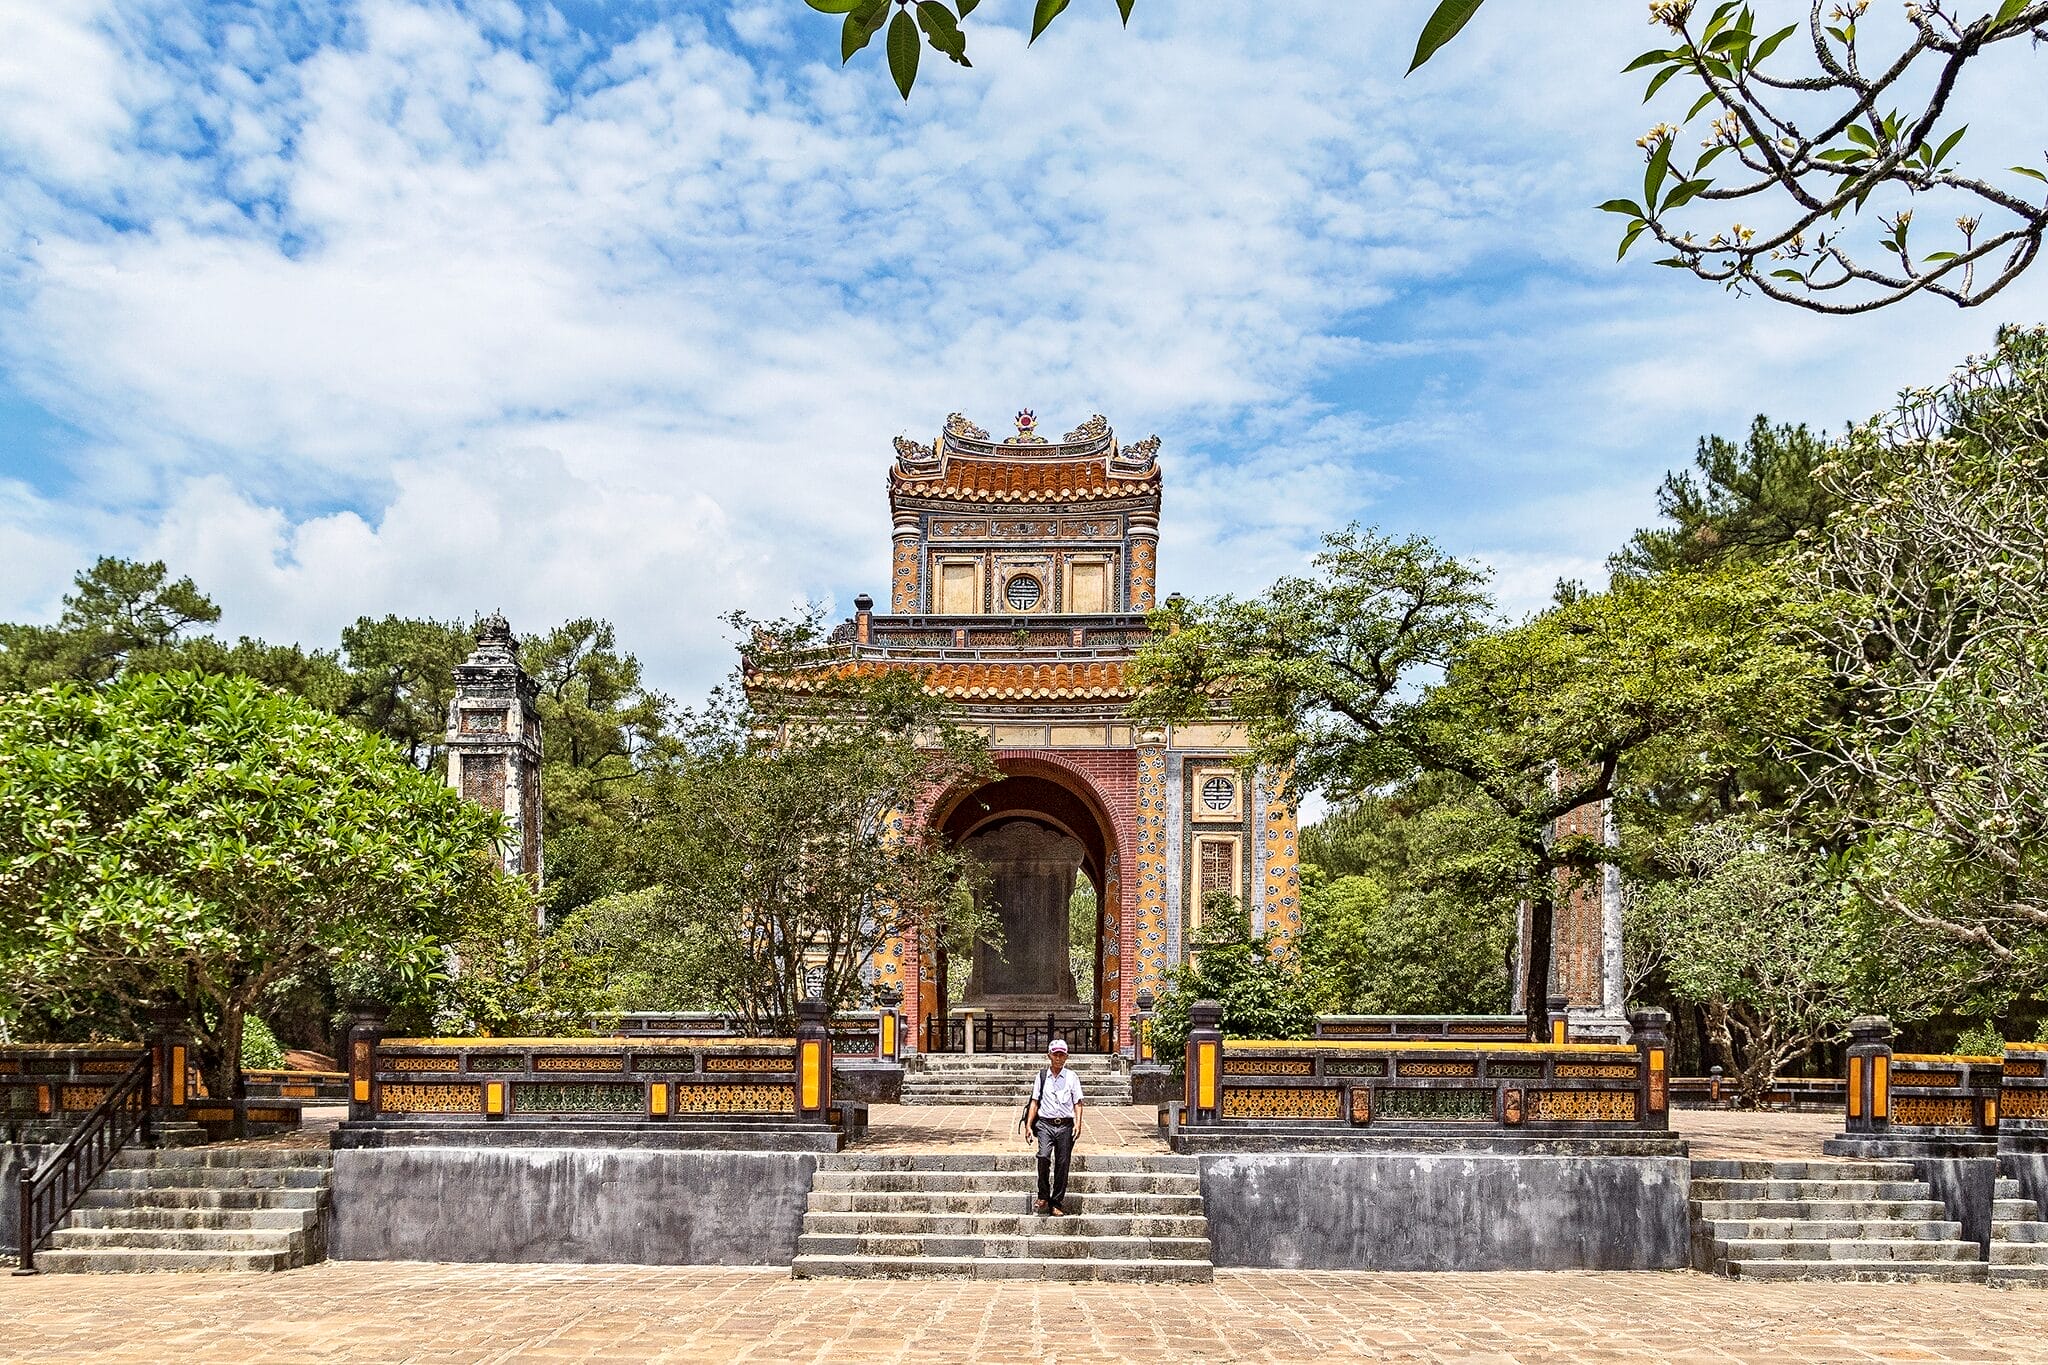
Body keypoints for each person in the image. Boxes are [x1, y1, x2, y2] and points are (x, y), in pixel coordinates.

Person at [1023, 1038, 1085, 1216]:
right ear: (1049, 1055)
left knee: (1062, 1163)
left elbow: (1078, 1103)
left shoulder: (1072, 1077)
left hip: (1065, 1125)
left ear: (1066, 1057)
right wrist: (1028, 1125)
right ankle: (1043, 1194)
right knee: (1043, 1156)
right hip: (1045, 1124)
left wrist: (1078, 1124)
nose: (1058, 1058)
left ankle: (1056, 1202)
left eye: (1062, 1055)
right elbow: (1034, 1102)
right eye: (1055, 1054)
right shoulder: (1041, 1076)